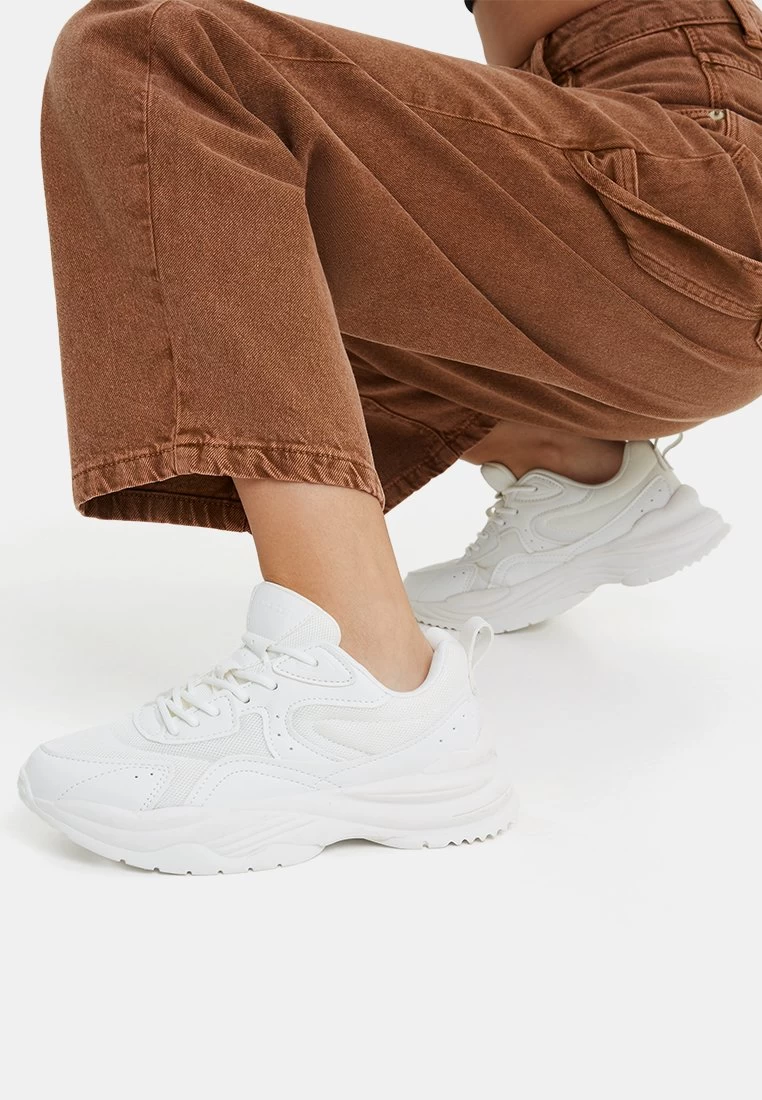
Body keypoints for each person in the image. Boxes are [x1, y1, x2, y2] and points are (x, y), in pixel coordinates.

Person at [19, 0, 762, 873]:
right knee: (240, 214)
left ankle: (362, 684)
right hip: (638, 232)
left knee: (153, 52)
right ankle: (569, 462)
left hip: (691, 175)